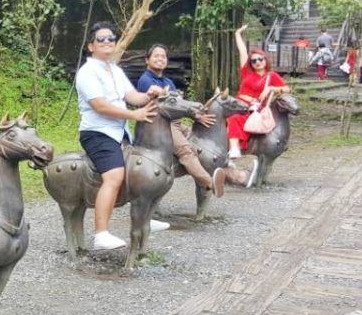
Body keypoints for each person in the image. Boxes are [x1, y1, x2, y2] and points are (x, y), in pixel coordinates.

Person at [74, 22, 163, 251]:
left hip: (120, 132)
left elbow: (133, 95)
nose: (107, 42)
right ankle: (101, 234)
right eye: (102, 39)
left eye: (111, 38)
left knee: (140, 171)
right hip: (98, 132)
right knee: (114, 175)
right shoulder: (87, 72)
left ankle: (144, 219)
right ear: (90, 46)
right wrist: (134, 114)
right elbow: (100, 106)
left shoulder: (115, 69)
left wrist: (149, 94)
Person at [135, 44, 226, 200]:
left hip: (175, 123)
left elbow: (179, 105)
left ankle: (226, 168)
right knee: (185, 149)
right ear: (147, 60)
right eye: (156, 56)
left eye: (163, 56)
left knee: (198, 140)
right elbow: (163, 101)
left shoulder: (168, 81)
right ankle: (209, 183)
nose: (160, 59)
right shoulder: (145, 80)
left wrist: (196, 116)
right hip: (160, 125)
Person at [226, 25, 290, 184]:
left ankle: (235, 148)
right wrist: (237, 35)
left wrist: (271, 88)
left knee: (235, 119)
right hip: (239, 104)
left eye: (260, 59)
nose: (257, 62)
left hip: (255, 109)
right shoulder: (247, 72)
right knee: (229, 116)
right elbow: (242, 52)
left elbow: (287, 88)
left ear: (265, 59)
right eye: (254, 60)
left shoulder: (272, 76)